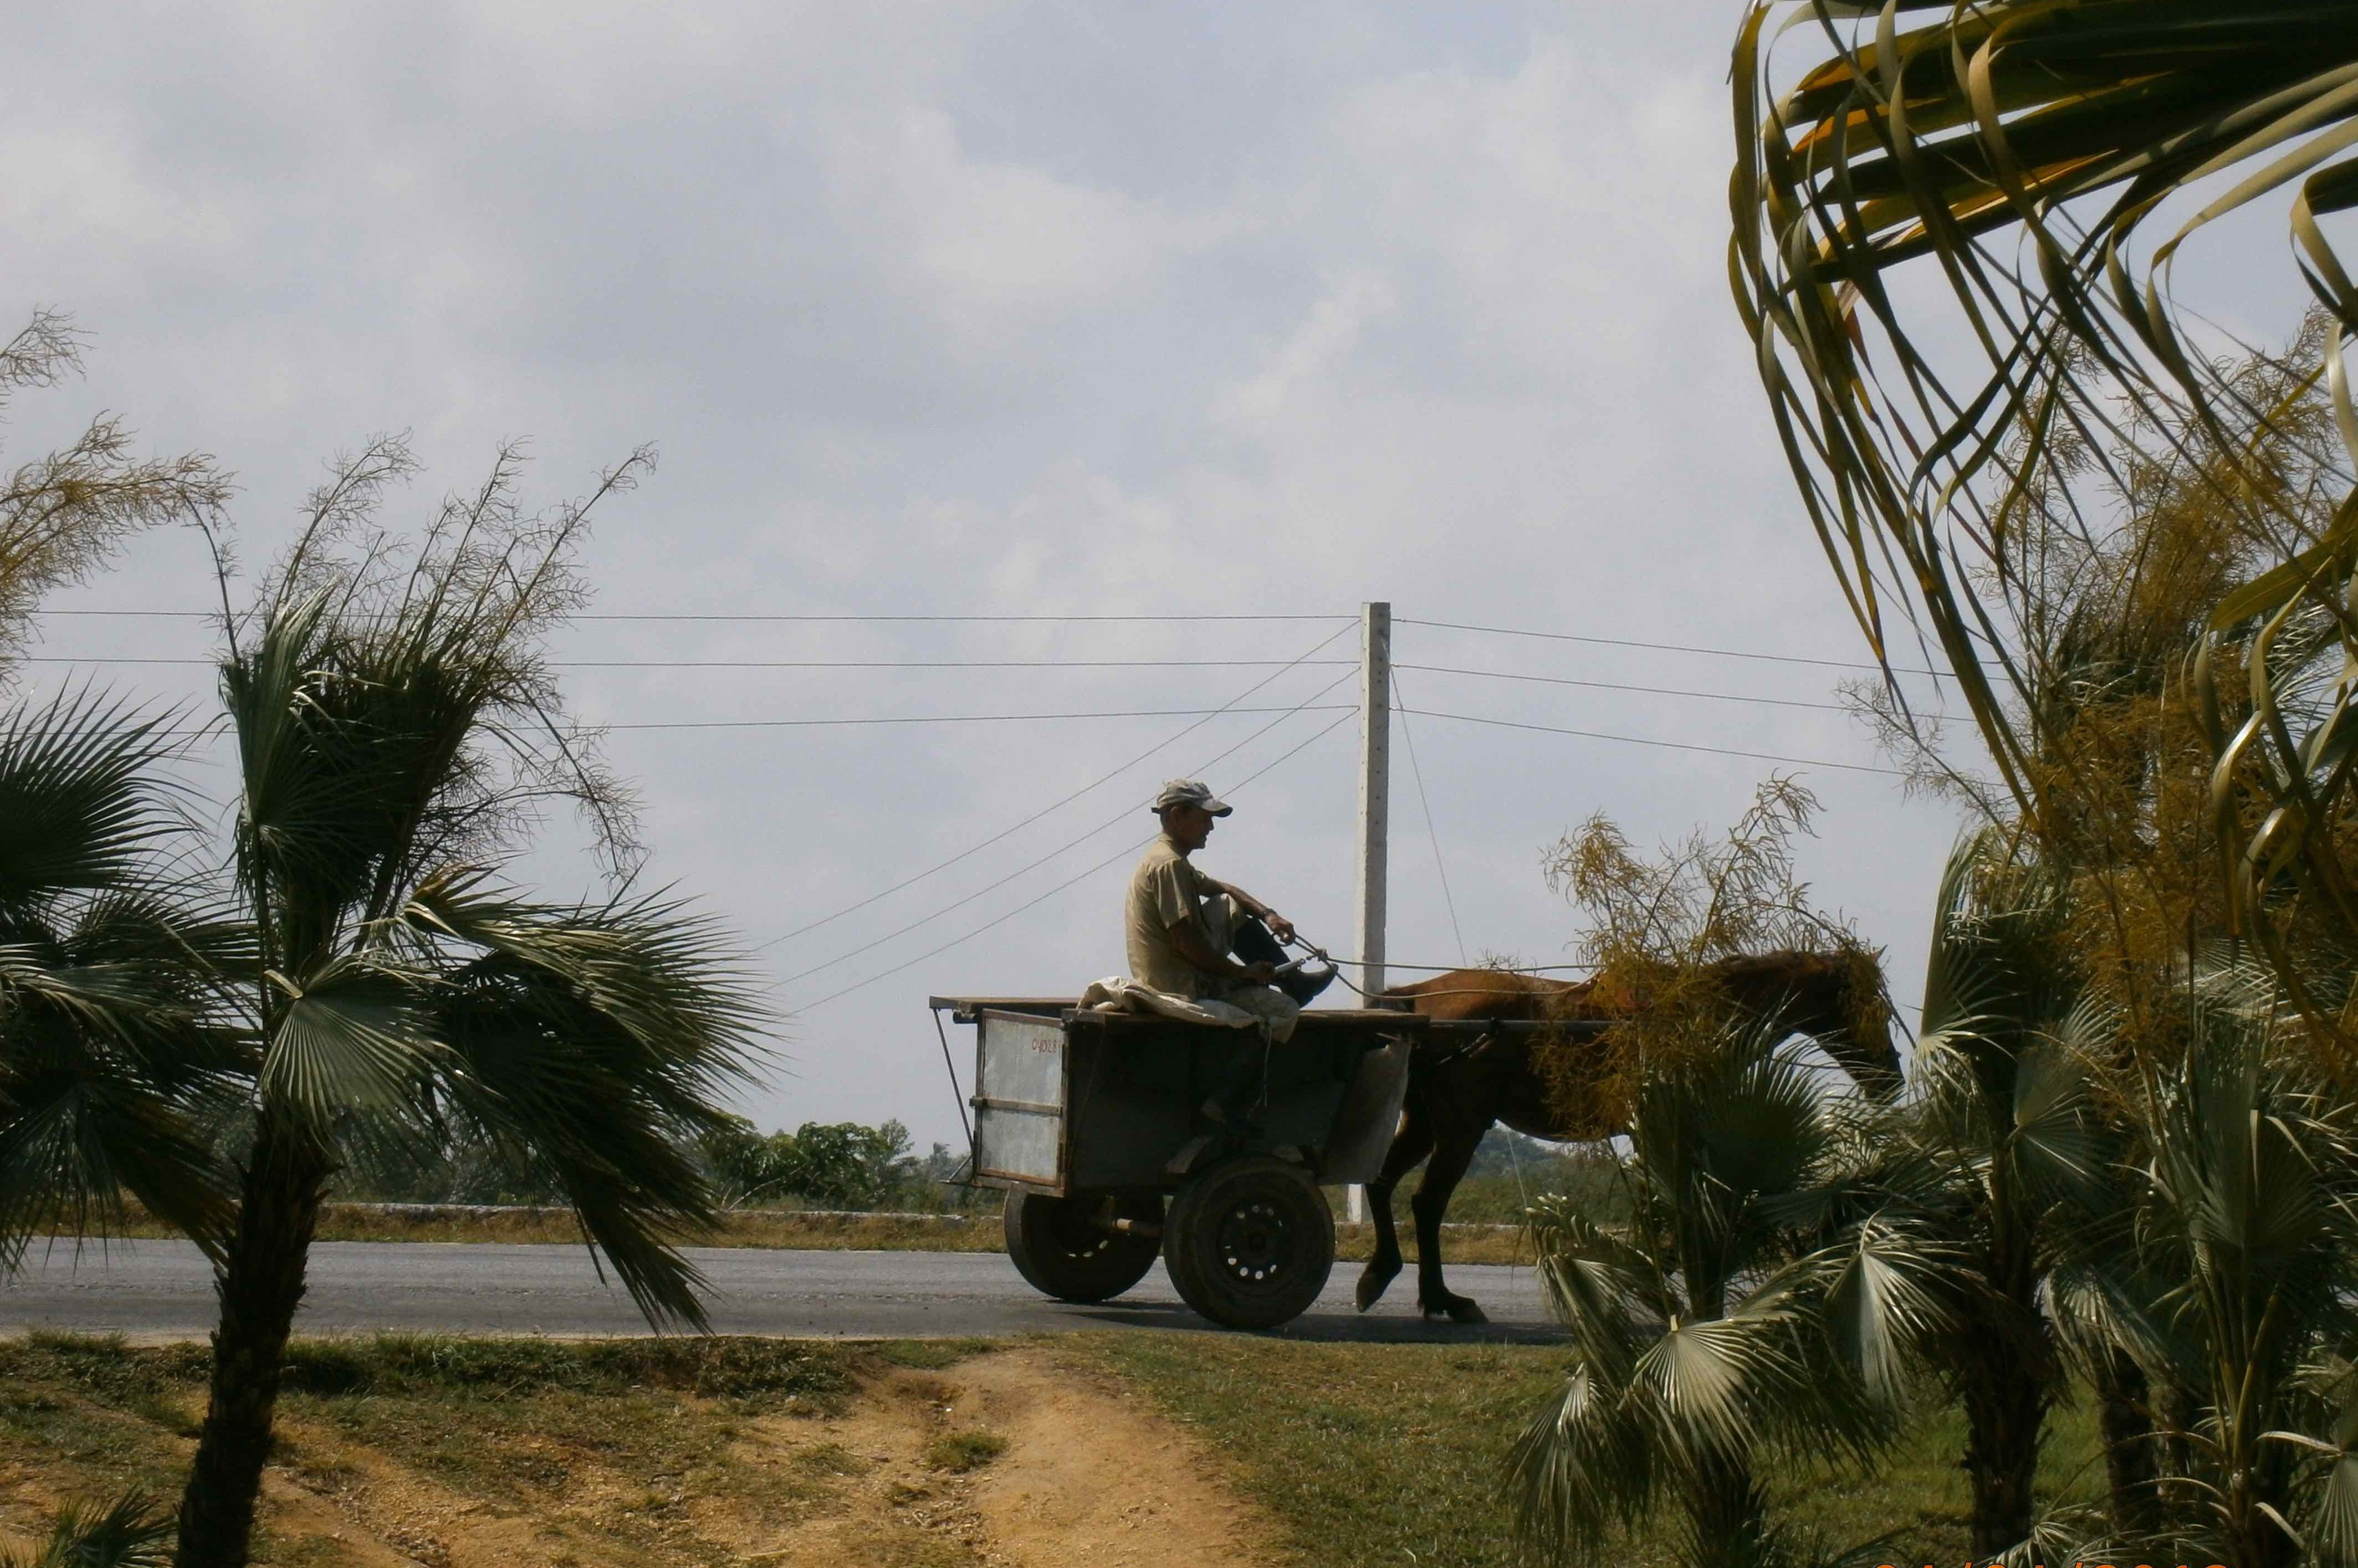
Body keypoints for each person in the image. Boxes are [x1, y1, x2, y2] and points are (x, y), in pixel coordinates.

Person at [1124, 778, 1334, 1031]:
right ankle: (1287, 991)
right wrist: (1241, 973)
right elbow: (1186, 943)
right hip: (1177, 985)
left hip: (1175, 973)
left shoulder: (1167, 860)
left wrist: (1269, 916)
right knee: (1286, 1010)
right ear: (1178, 816)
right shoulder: (1168, 865)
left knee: (1228, 904)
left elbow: (1224, 890)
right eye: (1204, 819)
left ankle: (1291, 980)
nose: (1211, 827)